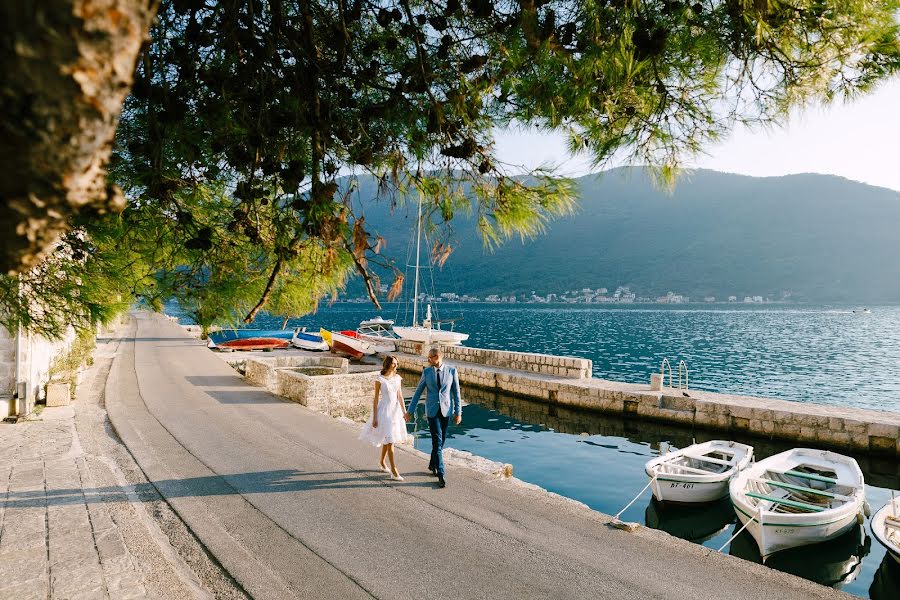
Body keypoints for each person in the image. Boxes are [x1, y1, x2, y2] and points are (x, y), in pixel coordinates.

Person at [405, 347, 461, 488]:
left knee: (440, 443)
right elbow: (418, 392)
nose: (428, 360)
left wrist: (458, 412)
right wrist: (410, 411)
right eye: (428, 357)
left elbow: (456, 393)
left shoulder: (452, 371)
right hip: (431, 411)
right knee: (437, 441)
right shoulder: (427, 372)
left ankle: (432, 464)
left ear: (438, 357)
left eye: (430, 357)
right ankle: (441, 473)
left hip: (446, 411)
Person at [359, 355, 408, 481]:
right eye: (393, 363)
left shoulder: (397, 378)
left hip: (395, 412)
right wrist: (375, 417)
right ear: (388, 364)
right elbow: (375, 399)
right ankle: (394, 470)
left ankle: (381, 462)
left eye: (397, 363)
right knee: (390, 440)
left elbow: (400, 396)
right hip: (384, 411)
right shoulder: (379, 379)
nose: (396, 365)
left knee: (388, 439)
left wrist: (404, 412)